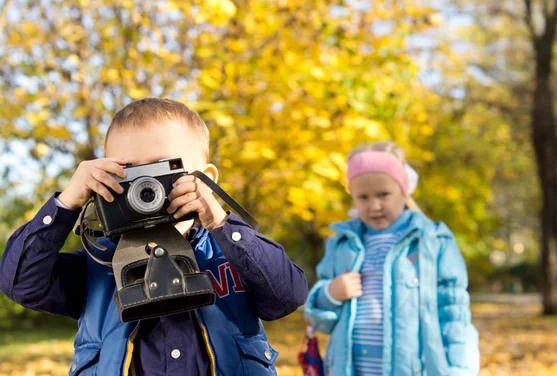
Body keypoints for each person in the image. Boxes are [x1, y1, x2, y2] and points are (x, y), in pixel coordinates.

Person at [0, 97, 308, 376]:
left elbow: (287, 296)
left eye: (163, 169)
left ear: (207, 179)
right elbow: (20, 284)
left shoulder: (233, 254)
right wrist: (67, 203)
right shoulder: (97, 265)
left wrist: (221, 222)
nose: (145, 188)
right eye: (128, 172)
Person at [304, 142, 479, 376]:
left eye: (383, 194)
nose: (374, 206)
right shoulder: (342, 243)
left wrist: (459, 371)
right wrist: (330, 293)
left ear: (404, 190)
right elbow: (322, 321)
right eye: (363, 197)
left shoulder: (432, 240)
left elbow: (454, 314)